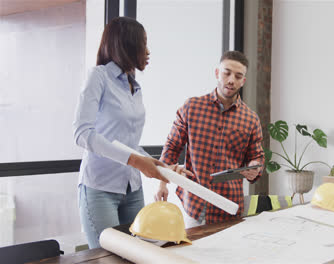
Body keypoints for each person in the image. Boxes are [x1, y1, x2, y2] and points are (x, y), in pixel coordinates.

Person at [72, 17, 191, 248]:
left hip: (132, 188)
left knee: (139, 253)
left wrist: (157, 165)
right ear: (126, 44)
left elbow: (129, 143)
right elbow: (82, 133)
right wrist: (136, 160)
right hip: (100, 188)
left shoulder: (133, 86)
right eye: (143, 43)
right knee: (108, 257)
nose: (148, 51)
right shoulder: (99, 76)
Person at [156, 50, 265, 226]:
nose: (231, 80)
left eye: (238, 76)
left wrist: (254, 168)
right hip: (194, 206)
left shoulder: (251, 119)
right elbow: (172, 147)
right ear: (217, 73)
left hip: (229, 207)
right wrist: (162, 184)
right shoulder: (192, 107)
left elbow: (256, 157)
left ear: (243, 81)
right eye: (226, 73)